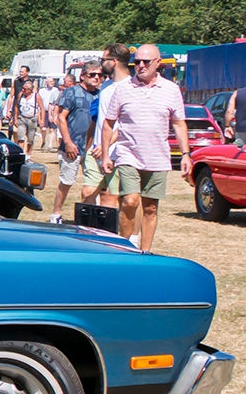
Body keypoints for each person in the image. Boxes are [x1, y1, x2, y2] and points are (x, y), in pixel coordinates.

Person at [100, 44, 190, 253]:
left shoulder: (171, 90)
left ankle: (145, 252)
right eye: (136, 62)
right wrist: (106, 154)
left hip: (157, 156)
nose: (140, 66)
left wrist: (185, 154)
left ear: (157, 63)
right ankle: (122, 248)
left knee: (150, 207)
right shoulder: (123, 89)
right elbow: (108, 123)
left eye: (145, 62)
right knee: (130, 201)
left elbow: (178, 123)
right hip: (128, 153)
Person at [82, 44, 132, 208]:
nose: (101, 63)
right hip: (96, 150)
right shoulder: (106, 85)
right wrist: (89, 147)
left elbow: (126, 124)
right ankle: (86, 232)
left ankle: (109, 232)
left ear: (114, 61)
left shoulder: (131, 87)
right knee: (87, 193)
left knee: (109, 198)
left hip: (115, 152)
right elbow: (98, 120)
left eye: (104, 60)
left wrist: (106, 145)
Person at [50, 70, 99, 224]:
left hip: (93, 148)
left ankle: (93, 217)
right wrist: (68, 142)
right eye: (92, 74)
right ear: (83, 76)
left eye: (100, 75)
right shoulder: (72, 92)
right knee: (67, 182)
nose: (97, 77)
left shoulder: (102, 94)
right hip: (72, 146)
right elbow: (61, 118)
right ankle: (56, 214)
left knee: (95, 184)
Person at [14, 80, 40, 157]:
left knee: (30, 139)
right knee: (20, 137)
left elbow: (41, 107)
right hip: (22, 118)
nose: (23, 90)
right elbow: (16, 106)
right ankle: (21, 154)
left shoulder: (36, 96)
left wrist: (41, 119)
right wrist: (15, 117)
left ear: (30, 90)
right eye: (22, 88)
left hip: (32, 119)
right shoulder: (20, 95)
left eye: (25, 89)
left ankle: (28, 155)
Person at [224, 73, 246, 145]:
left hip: (242, 130)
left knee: (241, 152)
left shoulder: (237, 93)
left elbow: (230, 111)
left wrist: (227, 126)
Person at [39, 77, 60, 149]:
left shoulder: (56, 90)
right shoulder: (42, 91)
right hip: (44, 111)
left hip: (53, 111)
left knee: (52, 129)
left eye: (53, 81)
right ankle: (43, 140)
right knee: (43, 129)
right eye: (50, 81)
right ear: (46, 82)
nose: (52, 82)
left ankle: (50, 145)